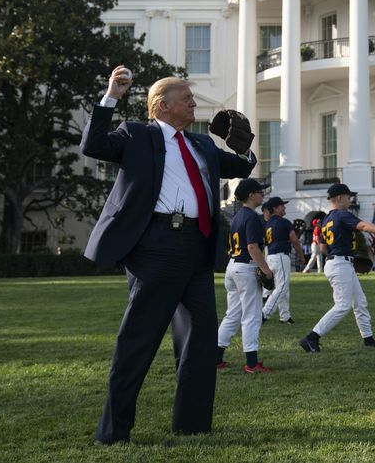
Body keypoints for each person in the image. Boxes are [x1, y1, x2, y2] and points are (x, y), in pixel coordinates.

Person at [81, 67, 257, 445]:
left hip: (196, 247)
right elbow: (94, 145)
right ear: (162, 106)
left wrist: (243, 145)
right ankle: (113, 432)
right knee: (139, 339)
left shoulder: (201, 145)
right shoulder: (136, 134)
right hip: (155, 247)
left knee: (200, 337)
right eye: (187, 99)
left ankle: (192, 425)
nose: (194, 104)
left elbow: (241, 167)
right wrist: (111, 95)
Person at [299, 183, 375, 352]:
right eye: (348, 196)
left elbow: (323, 248)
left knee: (360, 302)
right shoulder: (341, 215)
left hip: (337, 262)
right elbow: (363, 226)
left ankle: (368, 339)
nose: (350, 199)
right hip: (340, 264)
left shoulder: (326, 220)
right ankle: (311, 338)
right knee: (343, 305)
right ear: (339, 198)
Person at [216, 179, 273, 373]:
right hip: (246, 268)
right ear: (251, 195)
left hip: (232, 267)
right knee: (251, 315)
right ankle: (251, 363)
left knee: (232, 314)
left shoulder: (238, 216)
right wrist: (266, 270)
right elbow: (252, 247)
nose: (262, 194)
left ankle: (216, 357)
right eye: (259, 191)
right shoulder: (252, 217)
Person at [261, 196, 306, 324]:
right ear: (275, 208)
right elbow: (294, 240)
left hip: (270, 256)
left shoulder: (268, 223)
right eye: (282, 205)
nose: (284, 207)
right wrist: (301, 256)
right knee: (282, 286)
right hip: (280, 256)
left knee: (283, 287)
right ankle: (264, 313)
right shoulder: (284, 221)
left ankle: (285, 316)